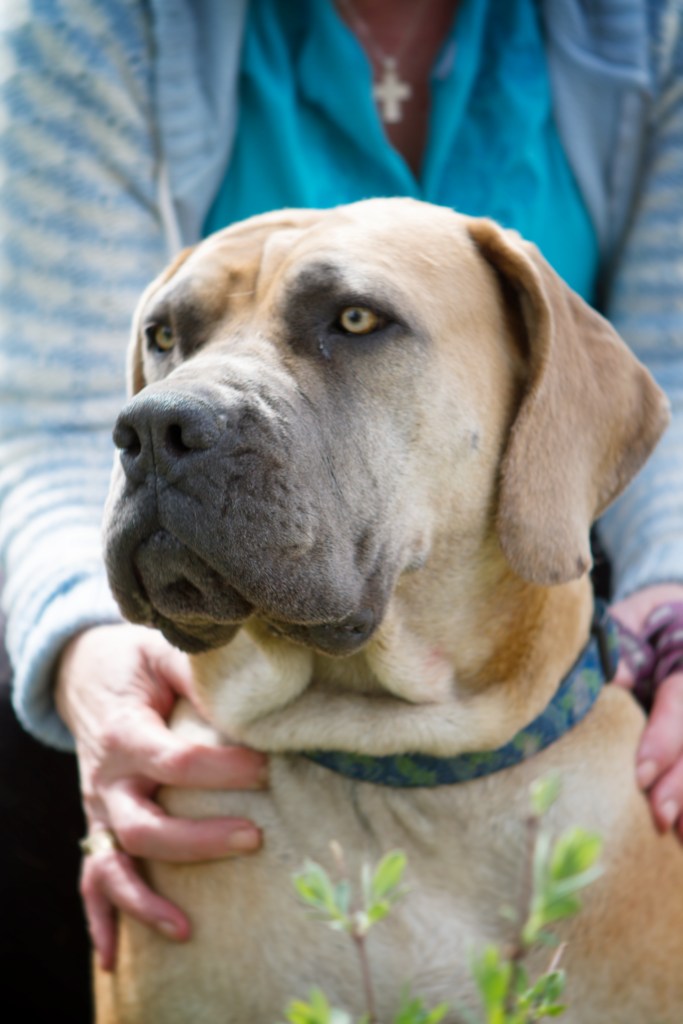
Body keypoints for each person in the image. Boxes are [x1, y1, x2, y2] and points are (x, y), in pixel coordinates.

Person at [1, 0, 683, 1018]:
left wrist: (674, 593)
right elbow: (48, 414)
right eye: (171, 342)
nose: (169, 410)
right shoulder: (81, 21)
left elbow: (668, 367)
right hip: (219, 742)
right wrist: (84, 654)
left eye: (352, 323)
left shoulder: (654, 27)